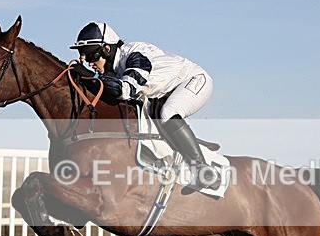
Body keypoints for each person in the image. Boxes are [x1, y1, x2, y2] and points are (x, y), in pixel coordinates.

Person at [69, 21, 220, 191]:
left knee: (168, 113)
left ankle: (202, 169)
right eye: (85, 57)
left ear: (107, 49)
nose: (90, 63)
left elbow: (124, 91)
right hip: (163, 93)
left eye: (91, 56)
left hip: (194, 80)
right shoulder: (114, 69)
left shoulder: (135, 55)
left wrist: (92, 76)